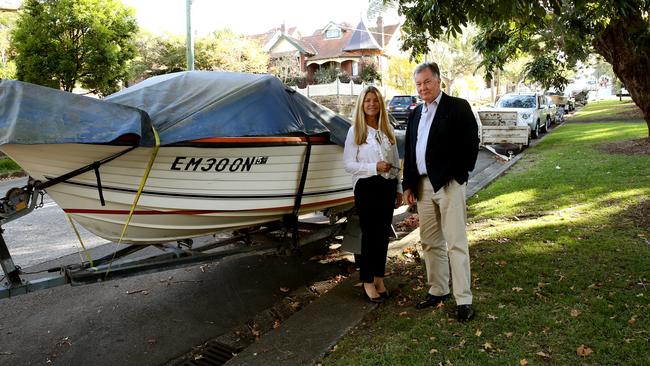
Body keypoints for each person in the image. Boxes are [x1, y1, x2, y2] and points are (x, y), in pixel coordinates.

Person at [402, 62, 479, 321]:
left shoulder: (457, 107)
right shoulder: (415, 114)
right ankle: (438, 290)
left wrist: (459, 175)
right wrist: (408, 184)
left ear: (438, 82)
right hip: (423, 187)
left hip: (449, 185)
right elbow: (411, 153)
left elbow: (471, 143)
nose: (423, 88)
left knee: (455, 243)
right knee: (430, 242)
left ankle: (464, 300)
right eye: (419, 84)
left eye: (427, 82)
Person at [343, 86, 403, 303]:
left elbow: (396, 163)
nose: (371, 104)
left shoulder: (387, 130)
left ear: (380, 104)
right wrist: (374, 167)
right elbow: (349, 164)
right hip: (367, 187)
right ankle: (367, 281)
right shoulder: (355, 131)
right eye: (367, 100)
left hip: (387, 187)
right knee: (369, 236)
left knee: (382, 236)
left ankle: (379, 277)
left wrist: (398, 189)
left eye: (375, 100)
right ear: (362, 103)